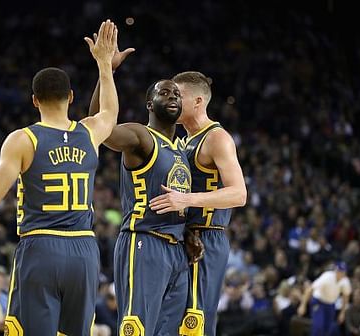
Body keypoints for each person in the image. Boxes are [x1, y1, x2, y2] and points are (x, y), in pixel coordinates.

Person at [0, 19, 119, 335]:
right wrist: (105, 65)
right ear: (71, 97)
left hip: (40, 247)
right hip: (84, 251)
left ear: (34, 100)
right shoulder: (90, 133)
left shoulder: (23, 140)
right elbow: (110, 112)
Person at [88, 46, 202, 334]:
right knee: (137, 328)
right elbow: (100, 127)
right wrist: (107, 71)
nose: (172, 96)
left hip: (176, 251)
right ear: (150, 104)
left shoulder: (180, 149)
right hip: (144, 243)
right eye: (164, 93)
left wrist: (187, 231)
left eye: (176, 94)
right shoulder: (140, 135)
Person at [147, 71, 247, 335]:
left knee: (195, 323)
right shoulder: (182, 140)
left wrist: (186, 199)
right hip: (183, 238)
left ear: (198, 101)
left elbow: (239, 194)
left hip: (208, 238)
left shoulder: (217, 138)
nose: (174, 102)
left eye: (179, 96)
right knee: (170, 322)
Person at [297, 261, 352, 336]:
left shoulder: (345, 282)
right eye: (339, 271)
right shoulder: (327, 277)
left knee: (327, 330)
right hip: (318, 302)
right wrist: (302, 305)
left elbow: (346, 296)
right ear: (336, 270)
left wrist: (342, 312)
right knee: (318, 326)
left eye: (343, 272)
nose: (341, 273)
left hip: (330, 304)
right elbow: (310, 289)